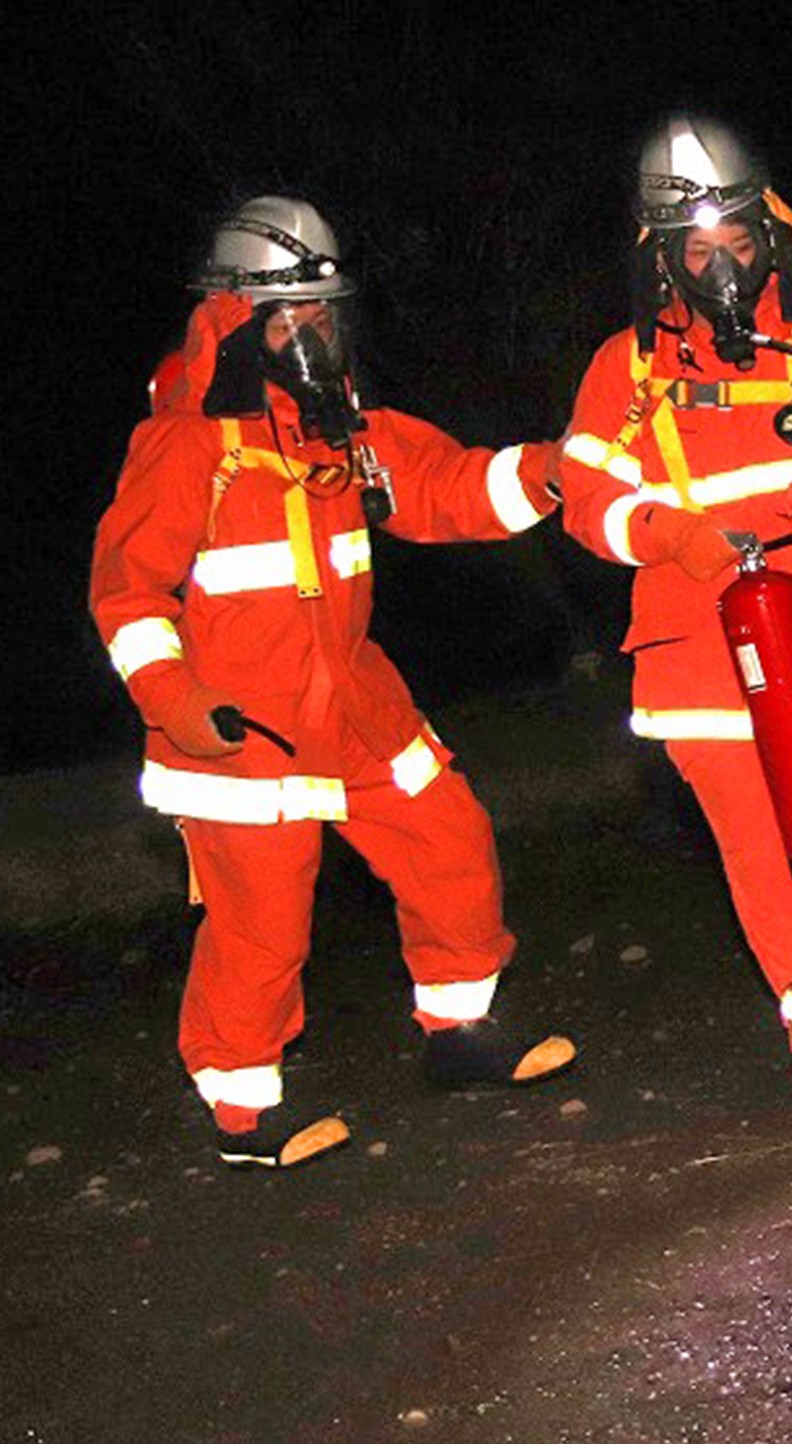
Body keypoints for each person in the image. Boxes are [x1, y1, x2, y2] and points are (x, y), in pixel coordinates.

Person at [89, 196, 577, 1169]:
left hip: (359, 703)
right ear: (235, 324)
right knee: (260, 928)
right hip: (241, 732)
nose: (310, 334)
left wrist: (565, 469)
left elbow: (451, 489)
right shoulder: (188, 450)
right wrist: (179, 706)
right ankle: (243, 1110)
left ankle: (461, 1033)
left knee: (450, 842)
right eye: (286, 317)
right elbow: (125, 592)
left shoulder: (346, 433)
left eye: (322, 314)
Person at [554, 115, 792, 1093]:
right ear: (663, 256)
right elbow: (586, 503)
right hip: (699, 645)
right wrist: (672, 533)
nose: (725, 264)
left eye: (741, 242)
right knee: (765, 840)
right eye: (699, 247)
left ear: (772, 237)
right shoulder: (621, 371)